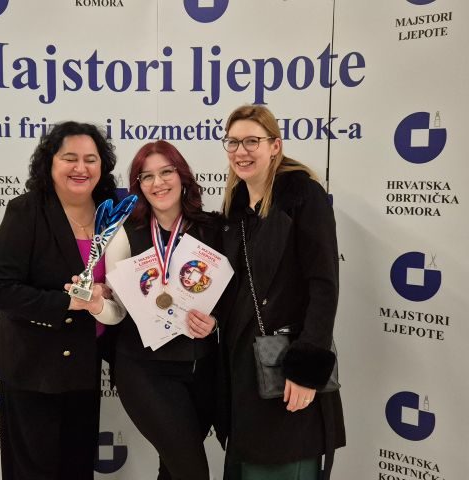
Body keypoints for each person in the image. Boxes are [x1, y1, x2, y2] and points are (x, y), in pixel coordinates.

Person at [0, 121, 126, 480]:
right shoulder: (27, 210)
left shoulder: (109, 214)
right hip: (34, 369)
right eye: (69, 158)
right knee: (34, 472)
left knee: (77, 469)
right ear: (49, 163)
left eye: (91, 159)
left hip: (84, 366)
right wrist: (66, 303)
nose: (81, 168)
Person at [215, 105, 345, 480]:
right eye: (233, 142)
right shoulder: (235, 208)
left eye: (251, 141)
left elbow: (324, 285)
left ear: (275, 146)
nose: (241, 151)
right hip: (243, 374)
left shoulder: (303, 196)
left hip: (287, 372)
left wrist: (306, 371)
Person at [103, 140, 220, 480]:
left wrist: (215, 323)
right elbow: (116, 310)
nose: (158, 183)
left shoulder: (213, 229)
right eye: (147, 176)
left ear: (182, 176)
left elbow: (232, 299)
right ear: (138, 185)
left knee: (172, 470)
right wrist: (97, 305)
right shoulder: (124, 234)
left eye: (166, 172)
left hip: (202, 370)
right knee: (191, 473)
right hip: (145, 371)